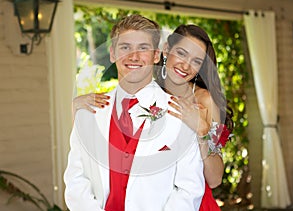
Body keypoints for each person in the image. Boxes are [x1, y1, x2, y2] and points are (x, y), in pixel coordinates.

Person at [73, 24, 234, 211]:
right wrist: (77, 108)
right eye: (181, 53)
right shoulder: (146, 90)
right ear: (166, 50)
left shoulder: (203, 100)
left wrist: (201, 130)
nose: (185, 65)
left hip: (193, 202)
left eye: (196, 61)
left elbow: (214, 179)